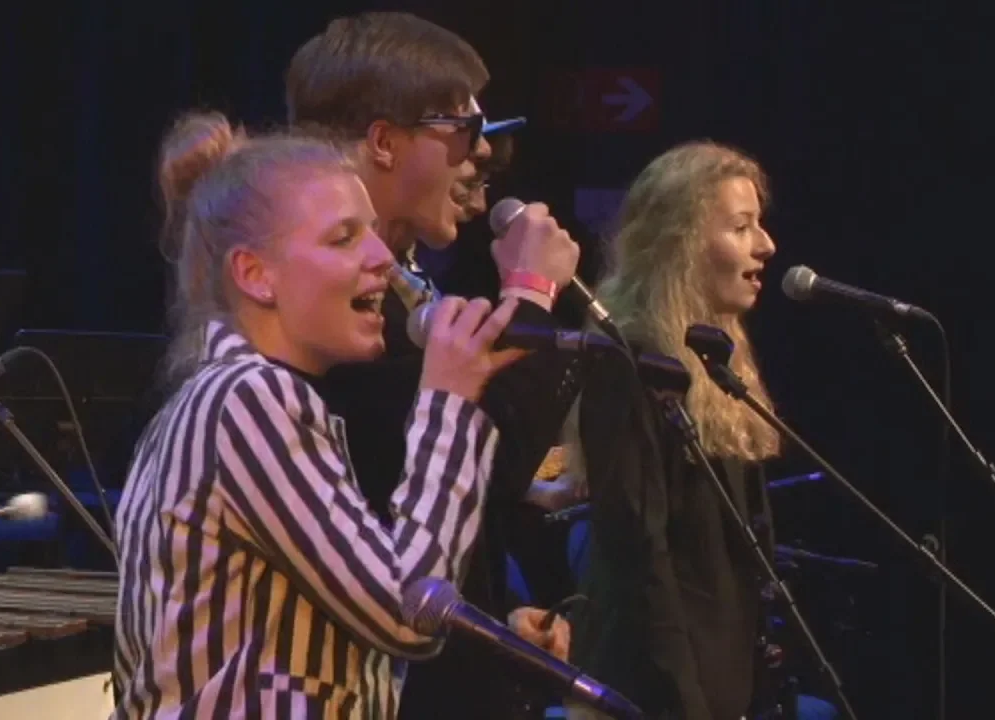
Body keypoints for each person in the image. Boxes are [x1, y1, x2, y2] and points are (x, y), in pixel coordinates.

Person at [111, 112, 525, 717]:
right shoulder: (247, 400)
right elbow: (407, 612)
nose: (383, 257)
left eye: (373, 233)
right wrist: (449, 402)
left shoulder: (239, 398)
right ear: (255, 275)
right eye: (344, 238)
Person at [286, 12, 582, 718]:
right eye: (464, 129)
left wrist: (488, 620)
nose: (482, 154)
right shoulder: (331, 314)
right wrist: (530, 297)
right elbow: (481, 463)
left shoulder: (405, 289)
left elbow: (426, 507)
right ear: (384, 141)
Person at [563, 141, 787, 720]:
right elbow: (640, 556)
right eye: (741, 227)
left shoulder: (718, 360)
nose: (766, 245)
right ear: (680, 245)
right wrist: (686, 704)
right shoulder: (630, 362)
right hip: (647, 695)